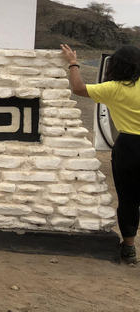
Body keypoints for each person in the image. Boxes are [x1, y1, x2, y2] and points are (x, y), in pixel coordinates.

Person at [61, 43, 140, 264]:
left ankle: (129, 249)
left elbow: (78, 88)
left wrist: (73, 63)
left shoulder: (113, 88)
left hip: (130, 146)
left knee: (129, 200)